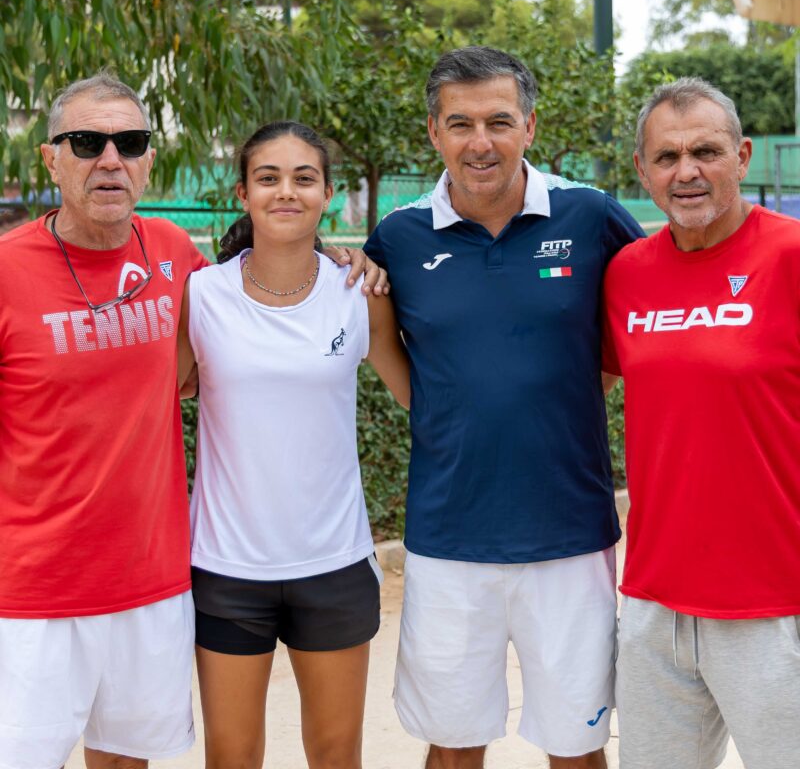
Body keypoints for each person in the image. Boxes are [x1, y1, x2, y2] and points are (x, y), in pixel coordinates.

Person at [0, 73, 385, 769]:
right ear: (50, 158)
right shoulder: (9, 270)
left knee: (126, 761)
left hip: (151, 582)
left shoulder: (175, 256)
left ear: (149, 159)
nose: (110, 159)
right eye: (86, 142)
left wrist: (342, 259)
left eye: (129, 143)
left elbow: (253, 322)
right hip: (36, 590)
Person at [363, 46, 644, 769]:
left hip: (571, 536)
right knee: (453, 748)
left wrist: (564, 395)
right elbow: (382, 343)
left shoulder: (592, 216)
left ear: (530, 126)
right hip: (447, 538)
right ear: (434, 132)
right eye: (460, 124)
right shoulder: (397, 237)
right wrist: (442, 410)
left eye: (499, 121)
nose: (479, 142)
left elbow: (643, 324)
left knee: (578, 748)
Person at [176, 120, 410, 769]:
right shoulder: (201, 295)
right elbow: (149, 405)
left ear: (328, 194)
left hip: (334, 566)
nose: (286, 191)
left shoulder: (359, 294)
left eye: (304, 178)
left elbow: (421, 398)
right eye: (268, 178)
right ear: (242, 193)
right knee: (231, 756)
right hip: (226, 569)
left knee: (336, 755)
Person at [602, 77, 800, 769]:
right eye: (667, 156)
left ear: (741, 157)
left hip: (776, 604)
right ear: (643, 170)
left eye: (706, 152)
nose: (686, 171)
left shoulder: (791, 255)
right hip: (655, 602)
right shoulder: (626, 273)